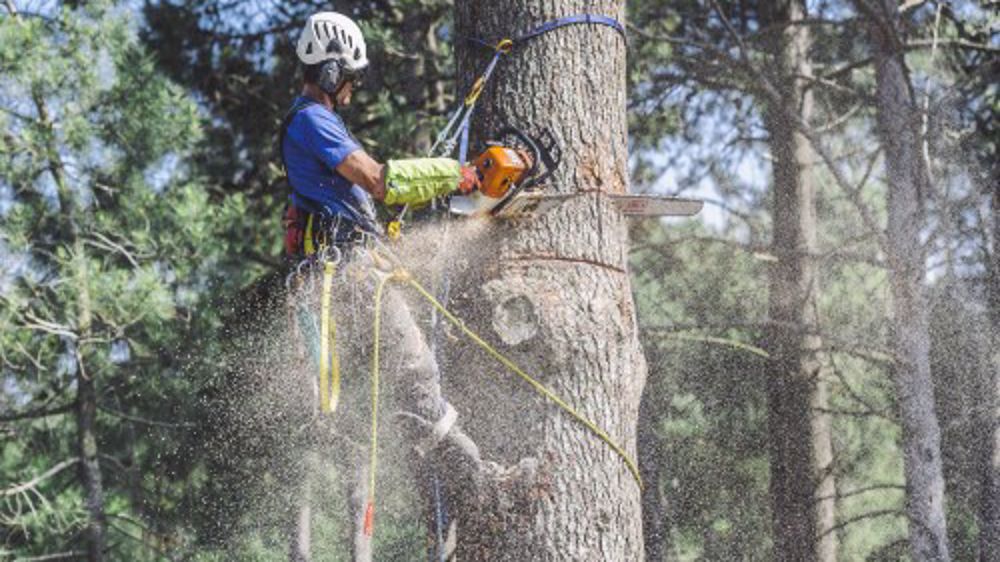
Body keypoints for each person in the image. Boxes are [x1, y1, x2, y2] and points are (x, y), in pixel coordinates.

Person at [280, 11, 479, 255]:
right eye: (353, 77)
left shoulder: (314, 119)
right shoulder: (312, 119)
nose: (354, 86)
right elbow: (377, 179)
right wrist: (453, 175)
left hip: (348, 253)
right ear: (332, 73)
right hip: (338, 260)